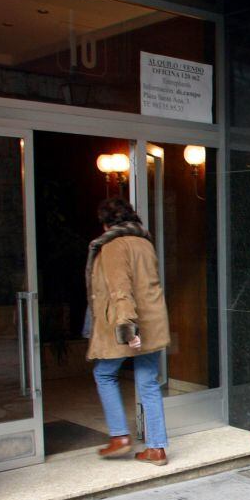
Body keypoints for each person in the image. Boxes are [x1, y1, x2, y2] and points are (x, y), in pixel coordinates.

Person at [87, 197, 172, 466]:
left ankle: (120, 436)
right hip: (153, 323)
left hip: (128, 324)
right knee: (148, 382)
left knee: (104, 374)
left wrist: (127, 329)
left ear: (106, 223)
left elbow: (120, 289)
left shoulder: (113, 246)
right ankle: (156, 448)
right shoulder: (144, 243)